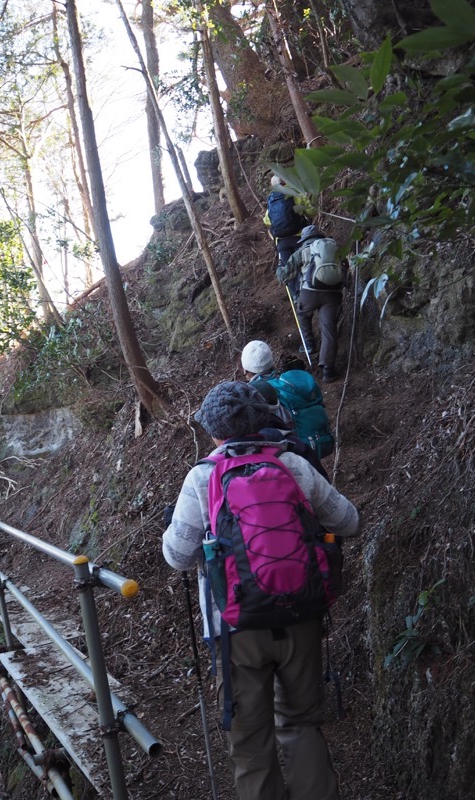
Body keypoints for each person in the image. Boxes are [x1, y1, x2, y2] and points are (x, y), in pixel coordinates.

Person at [162, 381, 359, 800]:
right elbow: (348, 522)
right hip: (301, 615)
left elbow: (177, 556)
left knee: (250, 743)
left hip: (235, 628)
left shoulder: (203, 476)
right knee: (302, 723)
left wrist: (174, 527)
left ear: (214, 431)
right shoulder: (294, 464)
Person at [240, 339, 329, 478]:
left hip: (287, 459)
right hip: (310, 445)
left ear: (245, 368)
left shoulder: (258, 396)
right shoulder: (288, 384)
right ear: (271, 362)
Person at [277, 225, 345, 383]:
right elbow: (345, 266)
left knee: (302, 313)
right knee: (329, 329)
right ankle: (328, 371)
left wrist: (280, 266)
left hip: (310, 293)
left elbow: (283, 276)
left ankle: (309, 345)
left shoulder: (303, 251)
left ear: (305, 240)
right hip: (334, 295)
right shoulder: (334, 248)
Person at [263, 175, 308, 298]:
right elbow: (309, 210)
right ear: (284, 182)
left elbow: (267, 220)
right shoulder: (293, 193)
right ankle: (307, 290)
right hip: (299, 236)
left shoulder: (272, 200)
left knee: (288, 270)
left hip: (282, 242)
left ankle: (296, 296)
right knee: (302, 264)